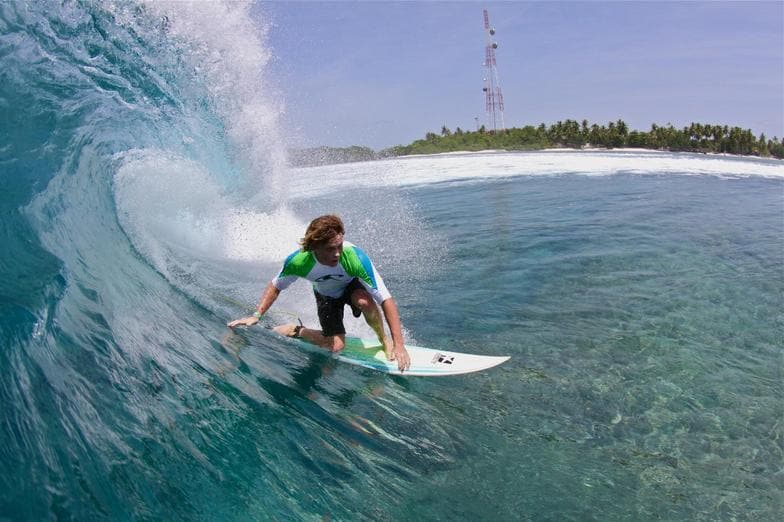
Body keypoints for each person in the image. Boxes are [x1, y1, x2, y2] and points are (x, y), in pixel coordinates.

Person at [227, 214, 411, 372]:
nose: (337, 253)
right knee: (337, 346)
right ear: (314, 246)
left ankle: (384, 340)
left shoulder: (354, 257)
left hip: (350, 286)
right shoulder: (299, 262)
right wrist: (256, 315)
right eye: (331, 248)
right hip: (326, 296)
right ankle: (297, 330)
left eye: (339, 246)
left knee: (365, 302)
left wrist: (399, 345)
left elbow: (386, 299)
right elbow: (276, 286)